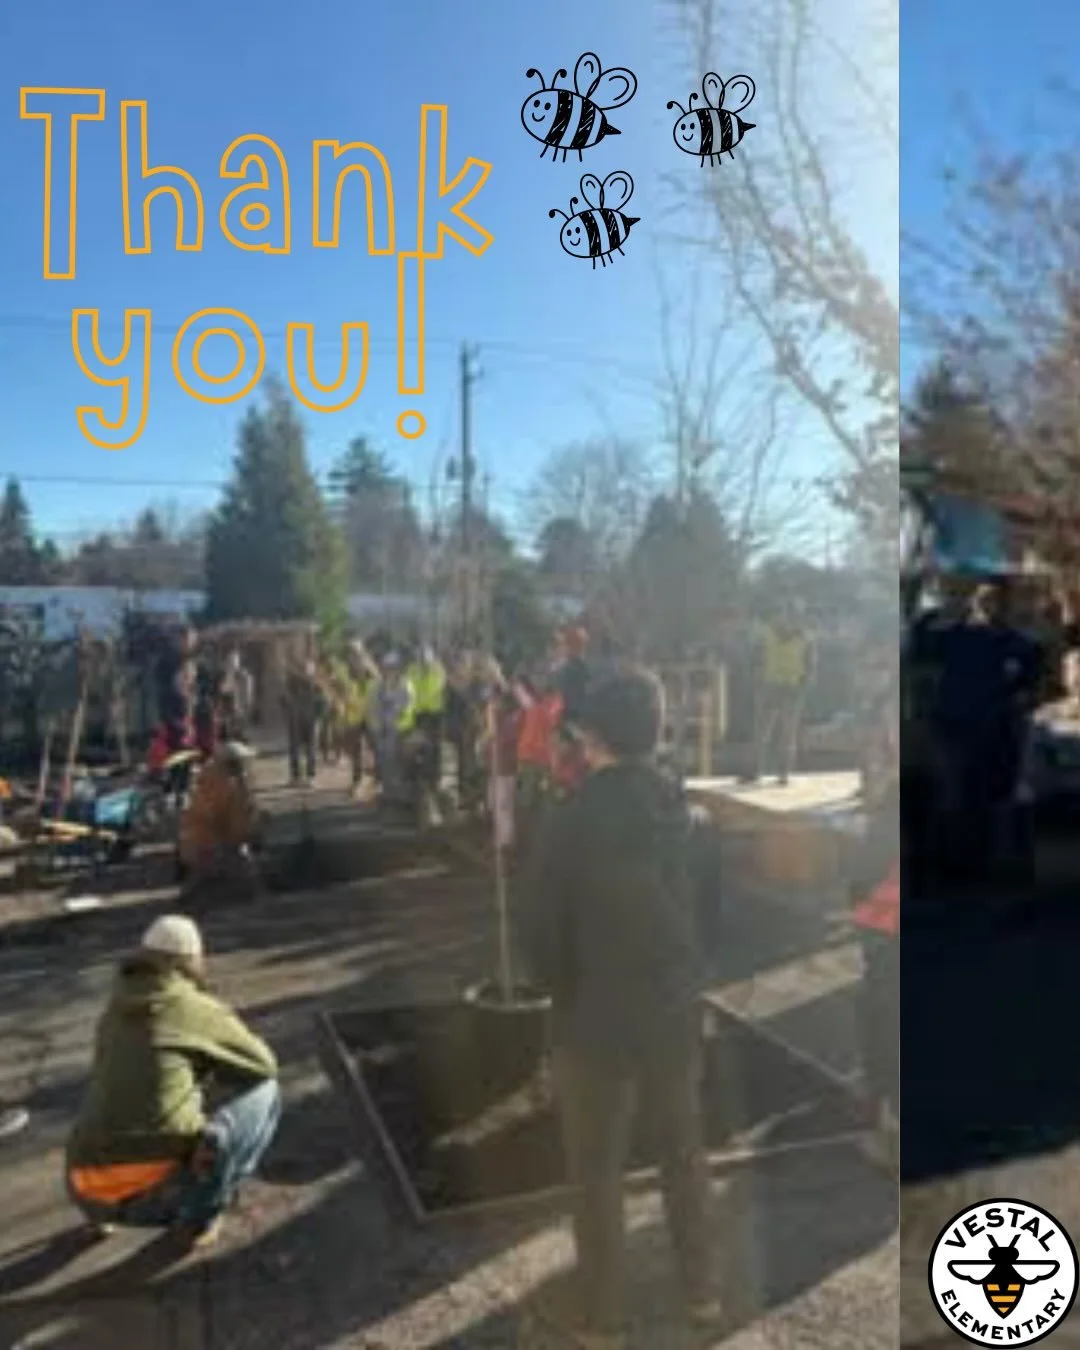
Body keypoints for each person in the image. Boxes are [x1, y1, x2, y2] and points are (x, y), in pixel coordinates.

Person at [519, 669, 719, 1346]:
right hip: (674, 1008)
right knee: (683, 1156)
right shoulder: (688, 813)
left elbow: (543, 935)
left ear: (590, 736)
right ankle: (702, 1295)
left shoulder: (569, 818)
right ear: (658, 729)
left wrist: (556, 994)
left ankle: (604, 1316)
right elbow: (710, 916)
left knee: (597, 1173)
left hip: (593, 1018)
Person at [66, 915, 280, 1247]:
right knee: (266, 1091)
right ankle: (201, 1214)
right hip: (160, 1199)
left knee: (110, 1093)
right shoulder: (192, 1007)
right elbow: (263, 1064)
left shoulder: (114, 1009)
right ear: (191, 962)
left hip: (85, 1189)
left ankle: (101, 1219)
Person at [177, 742, 261, 898]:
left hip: (195, 842)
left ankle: (195, 887)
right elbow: (236, 828)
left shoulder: (211, 778)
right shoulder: (226, 785)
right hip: (206, 845)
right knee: (247, 870)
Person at [748, 601, 814, 785]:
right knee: (761, 731)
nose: (790, 619)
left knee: (788, 734)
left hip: (792, 689)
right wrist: (757, 683)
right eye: (787, 614)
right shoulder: (766, 634)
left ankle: (784, 773)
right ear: (781, 614)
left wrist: (804, 686)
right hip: (769, 686)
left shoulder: (806, 638)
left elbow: (810, 665)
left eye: (795, 615)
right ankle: (754, 771)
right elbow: (756, 659)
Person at [404, 644, 447, 808]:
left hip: (434, 714)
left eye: (426, 659)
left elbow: (438, 688)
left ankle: (435, 781)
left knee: (435, 747)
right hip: (417, 714)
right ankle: (416, 782)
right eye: (420, 658)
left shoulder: (438, 669)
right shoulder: (411, 670)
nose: (423, 662)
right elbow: (407, 690)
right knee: (414, 747)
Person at [281, 649, 321, 785]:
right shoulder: (291, 678)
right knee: (295, 747)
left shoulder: (313, 675)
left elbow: (316, 689)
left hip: (310, 715)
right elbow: (285, 695)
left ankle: (310, 776)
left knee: (310, 747)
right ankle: (295, 776)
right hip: (296, 715)